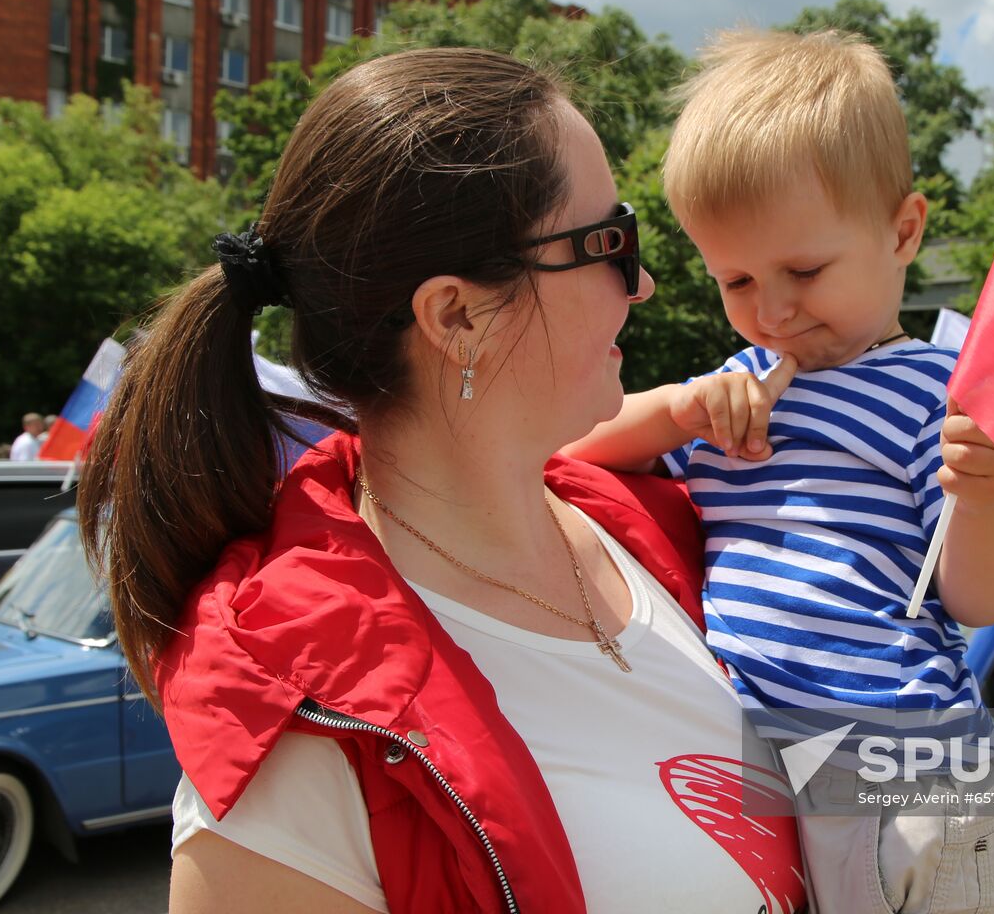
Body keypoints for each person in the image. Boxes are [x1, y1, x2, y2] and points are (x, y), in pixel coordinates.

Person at [78, 48, 808, 914]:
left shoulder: (661, 527)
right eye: (612, 242)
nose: (643, 284)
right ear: (457, 315)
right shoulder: (294, 743)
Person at [564, 29, 994, 914]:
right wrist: (681, 407)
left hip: (912, 789)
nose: (774, 311)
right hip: (779, 776)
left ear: (904, 232)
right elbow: (573, 451)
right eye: (736, 280)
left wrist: (978, 499)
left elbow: (992, 599)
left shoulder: (948, 394)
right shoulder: (739, 386)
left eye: (804, 270)